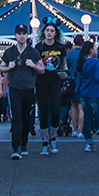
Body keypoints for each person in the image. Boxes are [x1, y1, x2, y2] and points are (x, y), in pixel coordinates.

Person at [2, 25, 41, 157]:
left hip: (29, 88)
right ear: (15, 35)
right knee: (16, 117)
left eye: (24, 33)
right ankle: (16, 147)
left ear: (27, 36)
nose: (22, 36)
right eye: (19, 33)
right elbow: (0, 67)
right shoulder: (10, 52)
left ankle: (24, 142)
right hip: (15, 87)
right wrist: (8, 67)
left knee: (26, 117)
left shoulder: (33, 52)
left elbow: (42, 69)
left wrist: (33, 65)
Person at [36, 22, 69, 154]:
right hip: (42, 81)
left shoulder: (60, 47)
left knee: (55, 111)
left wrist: (64, 73)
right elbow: (35, 64)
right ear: (44, 32)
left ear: (56, 33)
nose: (49, 33)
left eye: (52, 30)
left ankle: (53, 137)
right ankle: (44, 142)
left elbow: (64, 65)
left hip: (55, 81)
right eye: (47, 30)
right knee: (43, 111)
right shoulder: (39, 47)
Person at [75, 39, 99, 152]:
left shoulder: (82, 62)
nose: (96, 50)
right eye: (95, 48)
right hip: (95, 92)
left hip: (84, 92)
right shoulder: (95, 62)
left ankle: (88, 142)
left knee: (87, 117)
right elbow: (97, 78)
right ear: (91, 50)